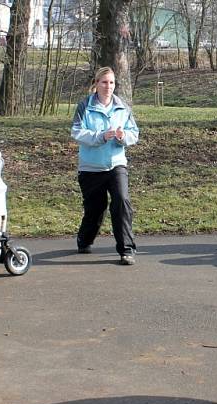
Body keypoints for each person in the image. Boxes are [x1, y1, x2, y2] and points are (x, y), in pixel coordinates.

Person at [71, 66, 140, 265]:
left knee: (121, 202)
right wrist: (100, 137)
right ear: (96, 84)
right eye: (104, 82)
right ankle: (85, 239)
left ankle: (126, 249)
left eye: (111, 83)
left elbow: (134, 133)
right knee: (95, 208)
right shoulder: (85, 106)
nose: (108, 86)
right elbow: (76, 132)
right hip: (90, 167)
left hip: (116, 165)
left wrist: (122, 137)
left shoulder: (122, 107)